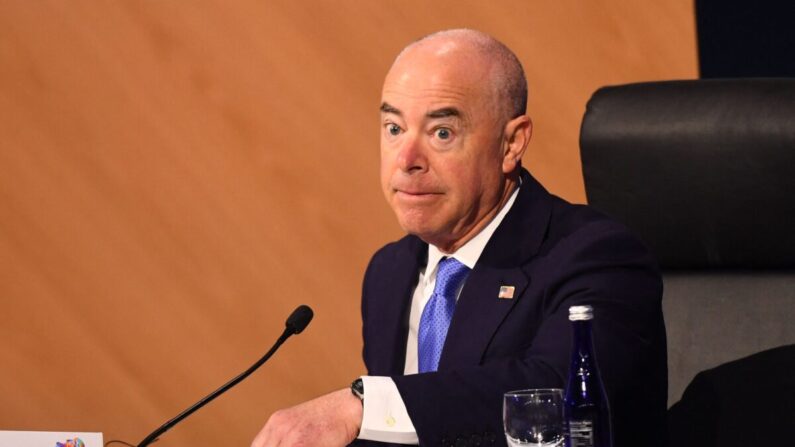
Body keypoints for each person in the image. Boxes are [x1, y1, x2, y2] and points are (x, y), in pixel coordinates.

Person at [251, 29, 667, 447]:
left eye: (441, 133)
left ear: (512, 143)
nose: (407, 160)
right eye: (394, 128)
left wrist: (364, 405)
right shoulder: (389, 272)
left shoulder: (595, 256)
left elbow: (557, 393)